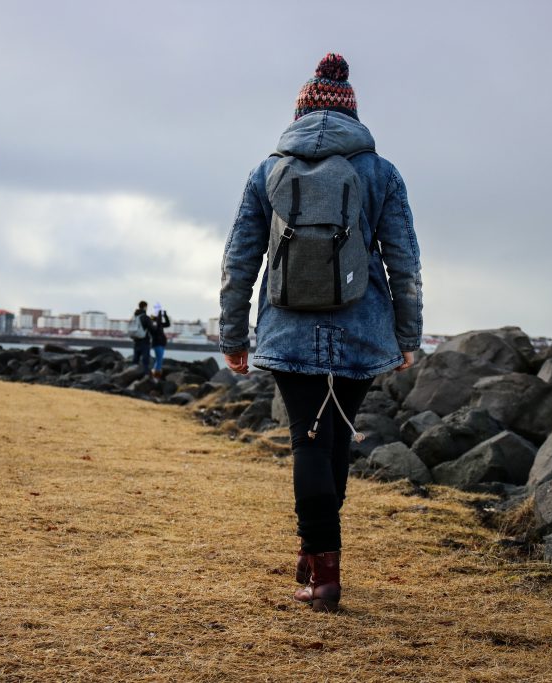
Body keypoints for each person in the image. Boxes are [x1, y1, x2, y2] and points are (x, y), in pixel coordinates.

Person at [218, 53, 422, 612]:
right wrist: (409, 337)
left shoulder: (267, 171)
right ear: (354, 115)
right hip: (364, 328)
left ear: (299, 112)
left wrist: (234, 337)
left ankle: (320, 567)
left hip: (287, 329)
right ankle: (320, 557)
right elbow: (403, 260)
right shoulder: (380, 171)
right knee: (335, 443)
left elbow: (241, 259)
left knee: (308, 440)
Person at [148, 303, 171, 379]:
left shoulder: (159, 324)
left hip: (161, 343)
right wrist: (159, 316)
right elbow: (156, 329)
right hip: (157, 344)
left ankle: (155, 373)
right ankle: (156, 374)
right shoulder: (153, 325)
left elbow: (167, 324)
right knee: (159, 359)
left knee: (159, 359)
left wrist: (165, 315)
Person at [130, 301, 153, 375]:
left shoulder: (135, 317)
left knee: (135, 359)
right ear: (145, 307)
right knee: (145, 361)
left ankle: (132, 375)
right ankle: (145, 377)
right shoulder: (145, 317)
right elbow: (151, 328)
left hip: (136, 340)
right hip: (144, 341)